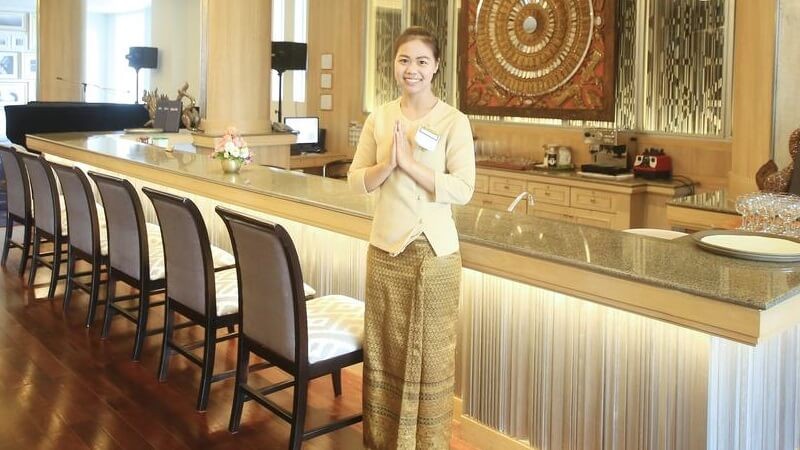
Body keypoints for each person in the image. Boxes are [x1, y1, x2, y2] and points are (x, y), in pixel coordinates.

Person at [348, 26, 476, 450]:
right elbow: (356, 180)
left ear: (436, 66)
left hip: (436, 257)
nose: (412, 69)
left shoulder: (453, 121)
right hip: (386, 253)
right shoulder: (380, 118)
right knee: (385, 352)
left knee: (432, 358)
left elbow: (463, 188)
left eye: (422, 61)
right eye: (404, 60)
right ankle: (383, 442)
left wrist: (410, 165)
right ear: (394, 64)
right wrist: (388, 164)